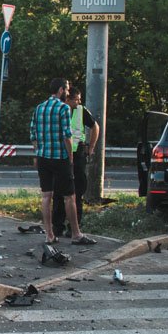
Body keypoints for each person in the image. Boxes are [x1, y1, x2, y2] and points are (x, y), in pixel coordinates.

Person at [29, 78, 96, 247]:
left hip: (43, 157)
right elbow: (67, 135)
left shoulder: (39, 108)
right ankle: (76, 234)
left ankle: (49, 235)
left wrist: (37, 153)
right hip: (60, 158)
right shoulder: (63, 108)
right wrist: (70, 157)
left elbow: (33, 134)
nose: (67, 92)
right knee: (70, 197)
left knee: (46, 196)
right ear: (60, 90)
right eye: (66, 89)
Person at [51, 87, 100, 238]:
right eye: (77, 99)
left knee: (76, 191)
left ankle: (74, 227)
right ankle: (57, 227)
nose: (79, 102)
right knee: (58, 192)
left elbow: (95, 126)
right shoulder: (59, 110)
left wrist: (91, 147)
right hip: (62, 154)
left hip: (77, 154)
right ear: (68, 99)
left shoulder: (81, 110)